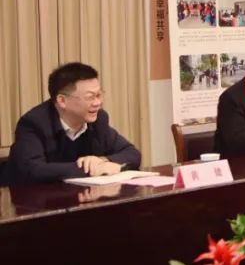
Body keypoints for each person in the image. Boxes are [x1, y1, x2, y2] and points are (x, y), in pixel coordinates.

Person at [2, 62, 141, 185]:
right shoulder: (33, 123)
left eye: (99, 95)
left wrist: (104, 160)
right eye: (90, 97)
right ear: (62, 101)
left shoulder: (98, 120)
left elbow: (132, 153)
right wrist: (90, 169)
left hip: (82, 197)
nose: (97, 103)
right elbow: (33, 170)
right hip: (32, 201)